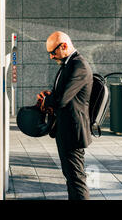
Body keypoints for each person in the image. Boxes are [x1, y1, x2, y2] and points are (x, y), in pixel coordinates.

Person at [37, 31, 93, 200]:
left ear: (64, 46)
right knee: (71, 177)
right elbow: (62, 93)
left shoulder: (78, 65)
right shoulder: (68, 64)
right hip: (66, 130)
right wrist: (48, 95)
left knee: (76, 179)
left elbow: (61, 99)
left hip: (73, 132)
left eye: (53, 52)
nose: (51, 57)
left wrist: (47, 100)